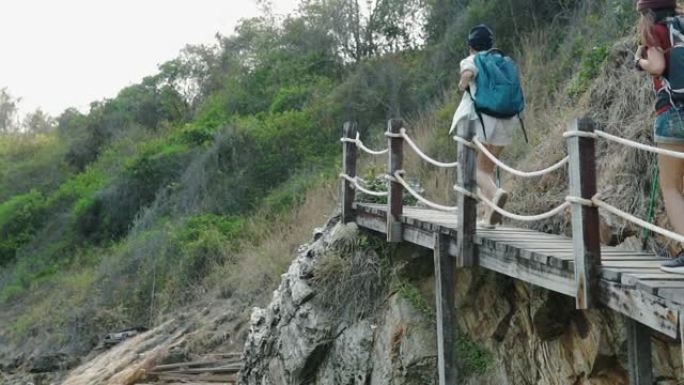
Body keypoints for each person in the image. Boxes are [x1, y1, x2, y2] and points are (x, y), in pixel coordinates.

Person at [450, 24, 520, 229]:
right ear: (491, 44)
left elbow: (468, 74)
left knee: (475, 171)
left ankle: (496, 194)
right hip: (508, 118)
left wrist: (462, 84)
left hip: (484, 119)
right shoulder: (501, 60)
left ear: (471, 46)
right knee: (487, 169)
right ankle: (490, 217)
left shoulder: (472, 59)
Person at [635, 0, 684, 273]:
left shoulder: (655, 30)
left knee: (671, 187)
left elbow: (657, 66)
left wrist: (641, 62)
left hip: (673, 115)